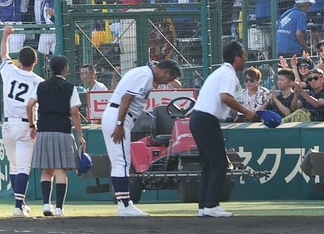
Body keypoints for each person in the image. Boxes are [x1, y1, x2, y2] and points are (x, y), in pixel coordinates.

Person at [101, 58, 182, 216]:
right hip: (119, 117)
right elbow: (127, 98)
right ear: (165, 72)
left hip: (118, 116)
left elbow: (176, 85)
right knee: (122, 163)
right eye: (168, 78)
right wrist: (119, 124)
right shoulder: (145, 75)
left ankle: (123, 204)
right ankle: (125, 206)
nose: (167, 82)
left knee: (120, 162)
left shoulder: (145, 73)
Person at [192, 40, 259, 218]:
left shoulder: (221, 72)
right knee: (219, 163)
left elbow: (223, 100)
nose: (245, 59)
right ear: (237, 58)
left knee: (208, 165)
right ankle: (212, 205)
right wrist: (245, 111)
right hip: (206, 119)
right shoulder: (228, 74)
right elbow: (225, 97)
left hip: (198, 118)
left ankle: (204, 206)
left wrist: (240, 112)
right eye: (243, 55)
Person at [28, 54, 84, 217]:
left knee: (47, 170)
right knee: (61, 170)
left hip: (44, 131)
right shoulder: (70, 87)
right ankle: (59, 208)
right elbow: (74, 112)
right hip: (63, 131)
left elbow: (30, 104)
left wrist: (32, 125)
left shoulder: (41, 86)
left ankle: (46, 205)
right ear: (65, 68)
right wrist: (80, 135)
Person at [0, 34, 42, 218]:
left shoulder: (10, 70)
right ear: (36, 62)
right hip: (25, 124)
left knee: (14, 167)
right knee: (23, 167)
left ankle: (21, 203)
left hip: (8, 124)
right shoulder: (38, 81)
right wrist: (33, 125)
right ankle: (18, 206)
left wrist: (5, 35)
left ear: (19, 61)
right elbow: (30, 105)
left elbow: (3, 54)